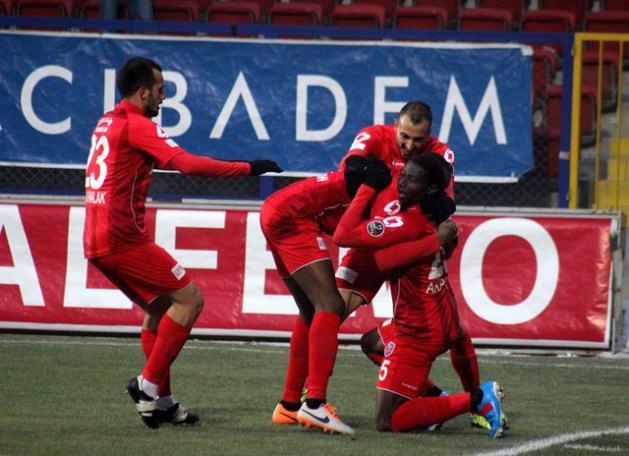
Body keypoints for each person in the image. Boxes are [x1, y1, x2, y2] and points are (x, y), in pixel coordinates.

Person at [83, 56, 282, 429]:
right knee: (190, 300)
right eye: (161, 90)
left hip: (96, 239)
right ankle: (147, 385)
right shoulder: (138, 125)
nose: (164, 97)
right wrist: (248, 168)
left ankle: (163, 403)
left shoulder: (107, 121)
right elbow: (187, 164)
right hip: (121, 237)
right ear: (144, 93)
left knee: (161, 310)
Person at [333, 153, 507, 438]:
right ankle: (437, 398)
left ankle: (477, 399)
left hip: (418, 332)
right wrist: (435, 242)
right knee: (372, 343)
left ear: (430, 189)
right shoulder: (437, 216)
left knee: (388, 420)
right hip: (443, 315)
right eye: (403, 174)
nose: (402, 182)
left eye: (411, 179)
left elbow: (343, 235)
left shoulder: (406, 223)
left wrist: (367, 187)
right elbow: (434, 250)